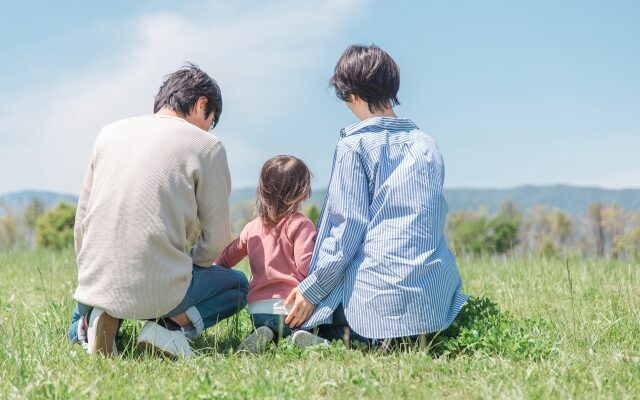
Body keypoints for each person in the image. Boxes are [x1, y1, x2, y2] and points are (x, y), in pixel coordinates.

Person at [284, 45, 469, 345]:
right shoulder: (427, 145)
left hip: (375, 307)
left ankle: (330, 337)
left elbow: (347, 231)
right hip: (434, 308)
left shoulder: (353, 146)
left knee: (305, 317)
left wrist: (311, 289)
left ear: (351, 94)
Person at [67, 63, 248, 357]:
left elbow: (82, 222)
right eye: (211, 120)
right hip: (160, 288)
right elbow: (217, 238)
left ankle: (88, 323)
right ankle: (167, 328)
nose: (208, 128)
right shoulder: (207, 146)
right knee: (238, 286)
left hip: (94, 279)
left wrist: (90, 272)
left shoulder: (108, 134)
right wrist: (193, 266)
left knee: (95, 296)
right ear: (202, 104)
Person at [214, 155, 328, 352]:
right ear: (302, 193)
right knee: (303, 326)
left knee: (267, 327)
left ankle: (264, 331)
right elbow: (305, 265)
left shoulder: (252, 227)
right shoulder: (301, 224)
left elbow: (225, 259)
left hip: (258, 309)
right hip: (292, 308)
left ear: (263, 190)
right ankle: (300, 336)